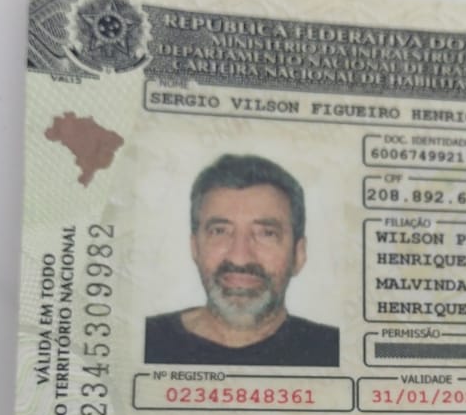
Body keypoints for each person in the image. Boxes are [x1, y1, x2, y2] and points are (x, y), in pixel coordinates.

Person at [145, 153, 339, 365]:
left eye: (266, 233)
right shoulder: (144, 342)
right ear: (195, 248)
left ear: (298, 255)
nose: (240, 257)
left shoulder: (335, 351)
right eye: (220, 231)